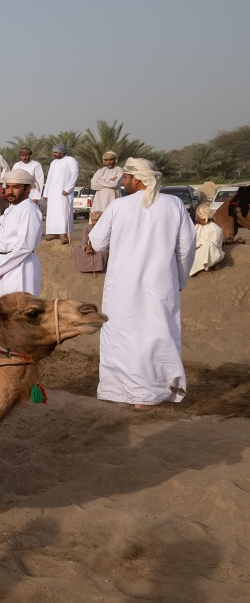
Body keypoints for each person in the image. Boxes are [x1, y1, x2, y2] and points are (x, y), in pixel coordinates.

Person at [87, 157, 196, 410]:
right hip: (160, 285)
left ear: (136, 179)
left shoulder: (119, 206)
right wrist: (180, 278)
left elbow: (98, 243)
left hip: (122, 287)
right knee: (156, 335)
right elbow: (187, 248)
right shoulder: (174, 204)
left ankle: (120, 391)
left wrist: (95, 223)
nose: (123, 183)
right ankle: (151, 394)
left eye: (125, 178)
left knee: (123, 335)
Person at [0, 169, 43, 306]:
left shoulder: (29, 210)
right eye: (8, 187)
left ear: (27, 189)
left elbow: (24, 246)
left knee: (18, 312)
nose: (10, 191)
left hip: (20, 267)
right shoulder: (10, 209)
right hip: (3, 264)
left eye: (16, 187)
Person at [42, 143, 79, 243]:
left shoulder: (71, 160)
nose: (54, 154)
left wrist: (67, 189)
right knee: (52, 212)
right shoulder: (53, 163)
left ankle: (63, 234)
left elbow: (74, 175)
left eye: (56, 152)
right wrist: (46, 193)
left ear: (62, 152)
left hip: (64, 192)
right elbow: (49, 177)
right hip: (53, 193)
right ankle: (53, 232)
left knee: (63, 211)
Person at [189, 203, 225, 276]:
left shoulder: (215, 229)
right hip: (197, 250)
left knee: (208, 246)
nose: (196, 217)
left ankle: (207, 265)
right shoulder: (196, 227)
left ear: (201, 217)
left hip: (212, 253)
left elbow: (213, 246)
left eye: (198, 215)